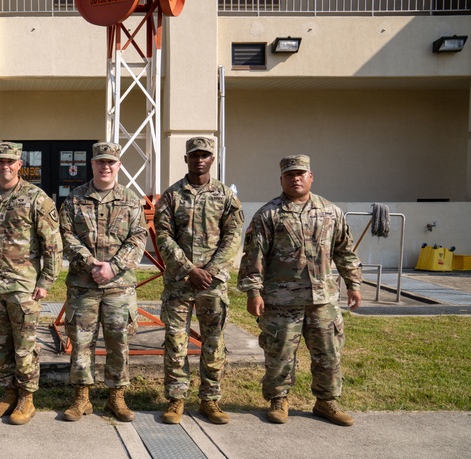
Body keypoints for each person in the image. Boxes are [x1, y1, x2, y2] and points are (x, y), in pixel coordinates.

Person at [238, 154, 362, 426]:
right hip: (281, 301)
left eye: (300, 174)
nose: (295, 178)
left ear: (310, 177)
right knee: (280, 354)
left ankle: (326, 402)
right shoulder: (268, 214)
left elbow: (344, 252)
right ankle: (279, 400)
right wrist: (253, 292)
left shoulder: (331, 212)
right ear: (281, 179)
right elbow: (253, 257)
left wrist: (353, 284)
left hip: (323, 300)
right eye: (290, 174)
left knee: (328, 354)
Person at [154, 136, 243, 425]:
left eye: (205, 155)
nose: (199, 159)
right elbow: (163, 236)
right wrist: (189, 269)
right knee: (176, 341)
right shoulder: (171, 196)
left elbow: (232, 237)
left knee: (213, 342)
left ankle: (210, 400)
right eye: (194, 155)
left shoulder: (226, 197)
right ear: (186, 159)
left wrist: (212, 270)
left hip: (213, 284)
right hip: (180, 282)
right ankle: (176, 399)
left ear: (212, 160)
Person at [0, 141, 62, 425]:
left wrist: (46, 280)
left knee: (25, 346)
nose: (5, 166)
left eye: (10, 161)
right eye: (0, 161)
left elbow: (52, 244)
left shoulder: (37, 199)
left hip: (24, 287)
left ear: (19, 164)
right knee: (0, 346)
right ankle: (8, 393)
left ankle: (27, 398)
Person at [60, 142, 148, 423]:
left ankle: (116, 398)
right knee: (81, 342)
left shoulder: (131, 200)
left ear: (119, 166)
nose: (105, 166)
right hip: (83, 286)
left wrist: (113, 267)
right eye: (100, 162)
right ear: (93, 165)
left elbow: (138, 238)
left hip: (119, 286)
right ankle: (82, 398)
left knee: (118, 342)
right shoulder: (74, 199)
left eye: (111, 162)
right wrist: (90, 262)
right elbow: (65, 235)